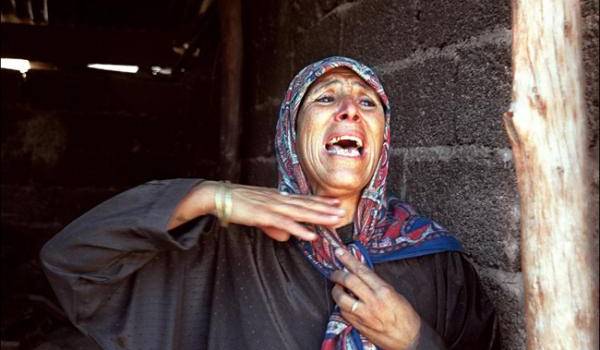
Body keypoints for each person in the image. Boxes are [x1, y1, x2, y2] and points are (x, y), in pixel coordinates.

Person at [40, 56, 499, 350]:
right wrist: (209, 195)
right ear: (290, 138)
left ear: (382, 139)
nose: (349, 110)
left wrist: (416, 340)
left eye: (368, 102)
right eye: (325, 98)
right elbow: (72, 262)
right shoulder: (226, 249)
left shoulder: (437, 263)